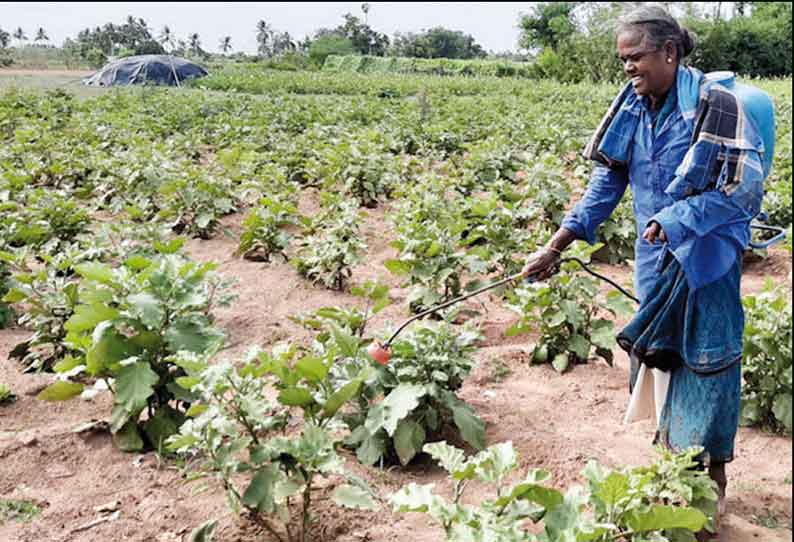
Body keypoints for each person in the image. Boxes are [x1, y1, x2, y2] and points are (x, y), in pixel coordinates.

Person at [522, 5, 775, 540]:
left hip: (707, 261)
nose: (628, 69)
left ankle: (715, 479)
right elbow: (607, 183)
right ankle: (671, 463)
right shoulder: (633, 107)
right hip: (654, 260)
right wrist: (557, 243)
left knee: (709, 361)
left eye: (636, 58)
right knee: (658, 357)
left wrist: (678, 217)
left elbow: (743, 191)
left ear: (669, 51)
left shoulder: (717, 105)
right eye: (623, 61)